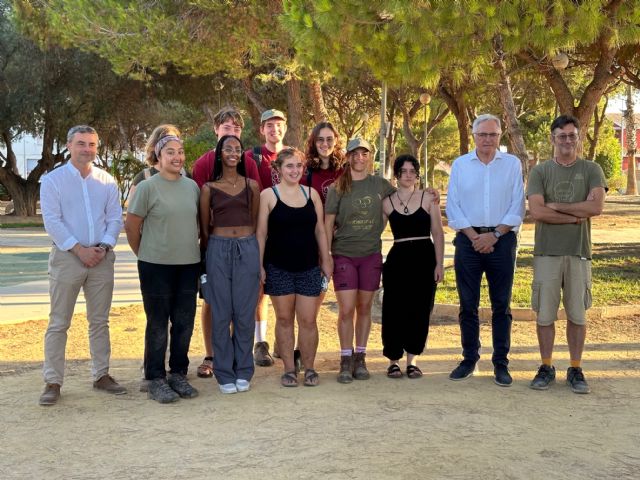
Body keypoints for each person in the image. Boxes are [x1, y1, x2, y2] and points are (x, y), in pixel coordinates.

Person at [39, 125, 126, 406]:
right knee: (58, 322)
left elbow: (115, 218)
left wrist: (102, 247)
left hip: (101, 258)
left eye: (91, 144)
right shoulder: (53, 181)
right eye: (81, 143)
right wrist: (79, 249)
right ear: (69, 145)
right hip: (67, 258)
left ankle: (101, 375)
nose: (87, 149)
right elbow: (52, 221)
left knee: (99, 321)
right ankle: (53, 381)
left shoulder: (107, 181)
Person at [527, 114, 606, 394]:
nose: (567, 141)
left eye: (572, 135)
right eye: (562, 136)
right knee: (545, 316)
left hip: (578, 252)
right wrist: (576, 213)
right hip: (547, 253)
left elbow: (595, 208)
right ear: (553, 139)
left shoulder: (592, 169)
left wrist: (558, 207)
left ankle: (575, 367)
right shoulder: (540, 172)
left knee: (577, 315)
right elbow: (537, 211)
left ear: (578, 137)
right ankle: (546, 365)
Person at [445, 113, 525, 387]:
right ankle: (469, 359)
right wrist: (474, 236)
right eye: (482, 135)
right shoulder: (460, 165)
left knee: (501, 305)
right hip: (468, 241)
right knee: (468, 305)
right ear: (474, 136)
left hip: (502, 240)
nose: (487, 139)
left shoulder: (512, 165)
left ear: (500, 136)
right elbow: (453, 205)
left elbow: (518, 205)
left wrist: (494, 235)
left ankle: (500, 363)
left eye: (492, 134)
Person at [125, 131, 201, 403]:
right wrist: (144, 253)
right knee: (157, 323)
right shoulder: (147, 186)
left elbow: (198, 225)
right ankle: (155, 377)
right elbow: (132, 225)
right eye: (170, 152)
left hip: (188, 265)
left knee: (184, 323)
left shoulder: (192, 187)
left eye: (180, 152)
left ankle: (178, 373)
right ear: (159, 155)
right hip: (155, 266)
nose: (177, 157)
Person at [191, 107, 260, 379]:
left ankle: (243, 367)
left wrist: (252, 247)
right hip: (217, 248)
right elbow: (202, 219)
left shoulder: (251, 179)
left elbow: (254, 217)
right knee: (217, 307)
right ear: (216, 133)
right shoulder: (204, 172)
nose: (232, 147)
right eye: (226, 129)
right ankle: (216, 359)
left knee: (245, 310)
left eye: (237, 131)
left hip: (246, 246)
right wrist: (209, 252)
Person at [256, 148, 332, 387]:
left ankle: (309, 368)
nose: (295, 170)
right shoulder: (268, 195)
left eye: (299, 166)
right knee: (285, 319)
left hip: (309, 267)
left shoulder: (312, 195)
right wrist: (259, 265)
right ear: (278, 169)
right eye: (289, 166)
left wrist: (326, 258)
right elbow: (261, 233)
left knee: (308, 320)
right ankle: (289, 369)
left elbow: (320, 230)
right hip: (278, 268)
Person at [324, 138, 396, 383]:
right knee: (346, 309)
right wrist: (326, 256)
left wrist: (427, 194)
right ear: (348, 157)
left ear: (370, 156)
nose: (359, 158)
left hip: (371, 254)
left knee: (364, 308)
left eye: (364, 153)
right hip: (344, 254)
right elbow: (326, 225)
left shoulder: (380, 184)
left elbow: (400, 201)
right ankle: (345, 358)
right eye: (354, 154)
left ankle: (360, 357)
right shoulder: (338, 188)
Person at [381, 155, 444, 379]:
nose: (408, 174)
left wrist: (439, 264)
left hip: (424, 259)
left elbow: (437, 232)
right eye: (403, 170)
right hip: (397, 261)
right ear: (396, 174)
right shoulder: (387, 202)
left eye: (412, 171)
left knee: (419, 310)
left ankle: (412, 360)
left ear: (417, 174)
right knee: (393, 309)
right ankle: (393, 361)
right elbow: (373, 231)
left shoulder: (429, 198)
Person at [244, 109, 288, 367]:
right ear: (262, 130)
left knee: (287, 289)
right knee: (259, 290)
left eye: (278, 125)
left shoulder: (293, 157)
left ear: (285, 128)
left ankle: (284, 342)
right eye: (269, 125)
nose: (274, 130)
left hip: (287, 233)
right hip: (259, 231)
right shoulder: (253, 157)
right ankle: (260, 344)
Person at [128, 124, 185, 203]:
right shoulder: (143, 177)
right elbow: (132, 211)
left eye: (175, 139)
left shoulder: (186, 176)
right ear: (155, 146)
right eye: (167, 139)